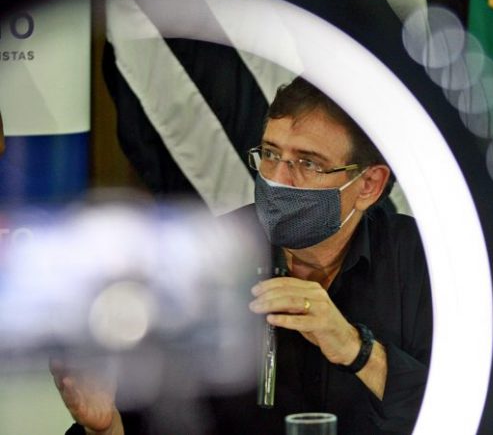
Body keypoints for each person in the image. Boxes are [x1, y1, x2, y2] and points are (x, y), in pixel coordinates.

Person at [53, 77, 432, 434]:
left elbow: (461, 408)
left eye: (308, 163)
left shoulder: (425, 263)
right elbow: (154, 422)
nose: (277, 179)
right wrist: (105, 427)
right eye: (270, 154)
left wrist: (356, 349)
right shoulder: (212, 256)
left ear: (368, 185)